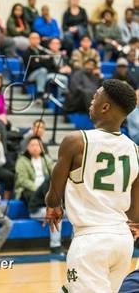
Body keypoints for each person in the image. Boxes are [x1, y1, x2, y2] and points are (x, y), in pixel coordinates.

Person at [45, 79, 138, 292]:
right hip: (123, 242)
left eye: (96, 97)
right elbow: (135, 213)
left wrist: (54, 205)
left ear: (105, 107)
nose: (91, 101)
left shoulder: (75, 141)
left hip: (91, 241)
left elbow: (53, 196)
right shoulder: (136, 151)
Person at [15, 137, 64, 254]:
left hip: (46, 191)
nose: (35, 147)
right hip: (31, 191)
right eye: (32, 145)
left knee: (73, 214)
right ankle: (55, 245)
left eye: (37, 145)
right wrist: (39, 188)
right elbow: (22, 180)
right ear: (27, 147)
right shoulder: (22, 160)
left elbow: (55, 176)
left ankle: (75, 244)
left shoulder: (46, 159)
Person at [22, 32, 55, 99]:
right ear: (29, 40)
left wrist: (39, 60)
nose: (35, 40)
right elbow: (33, 66)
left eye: (37, 38)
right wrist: (43, 59)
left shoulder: (43, 51)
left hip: (43, 73)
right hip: (30, 75)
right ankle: (40, 93)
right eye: (33, 38)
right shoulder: (26, 52)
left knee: (48, 74)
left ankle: (47, 98)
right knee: (43, 70)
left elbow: (50, 63)